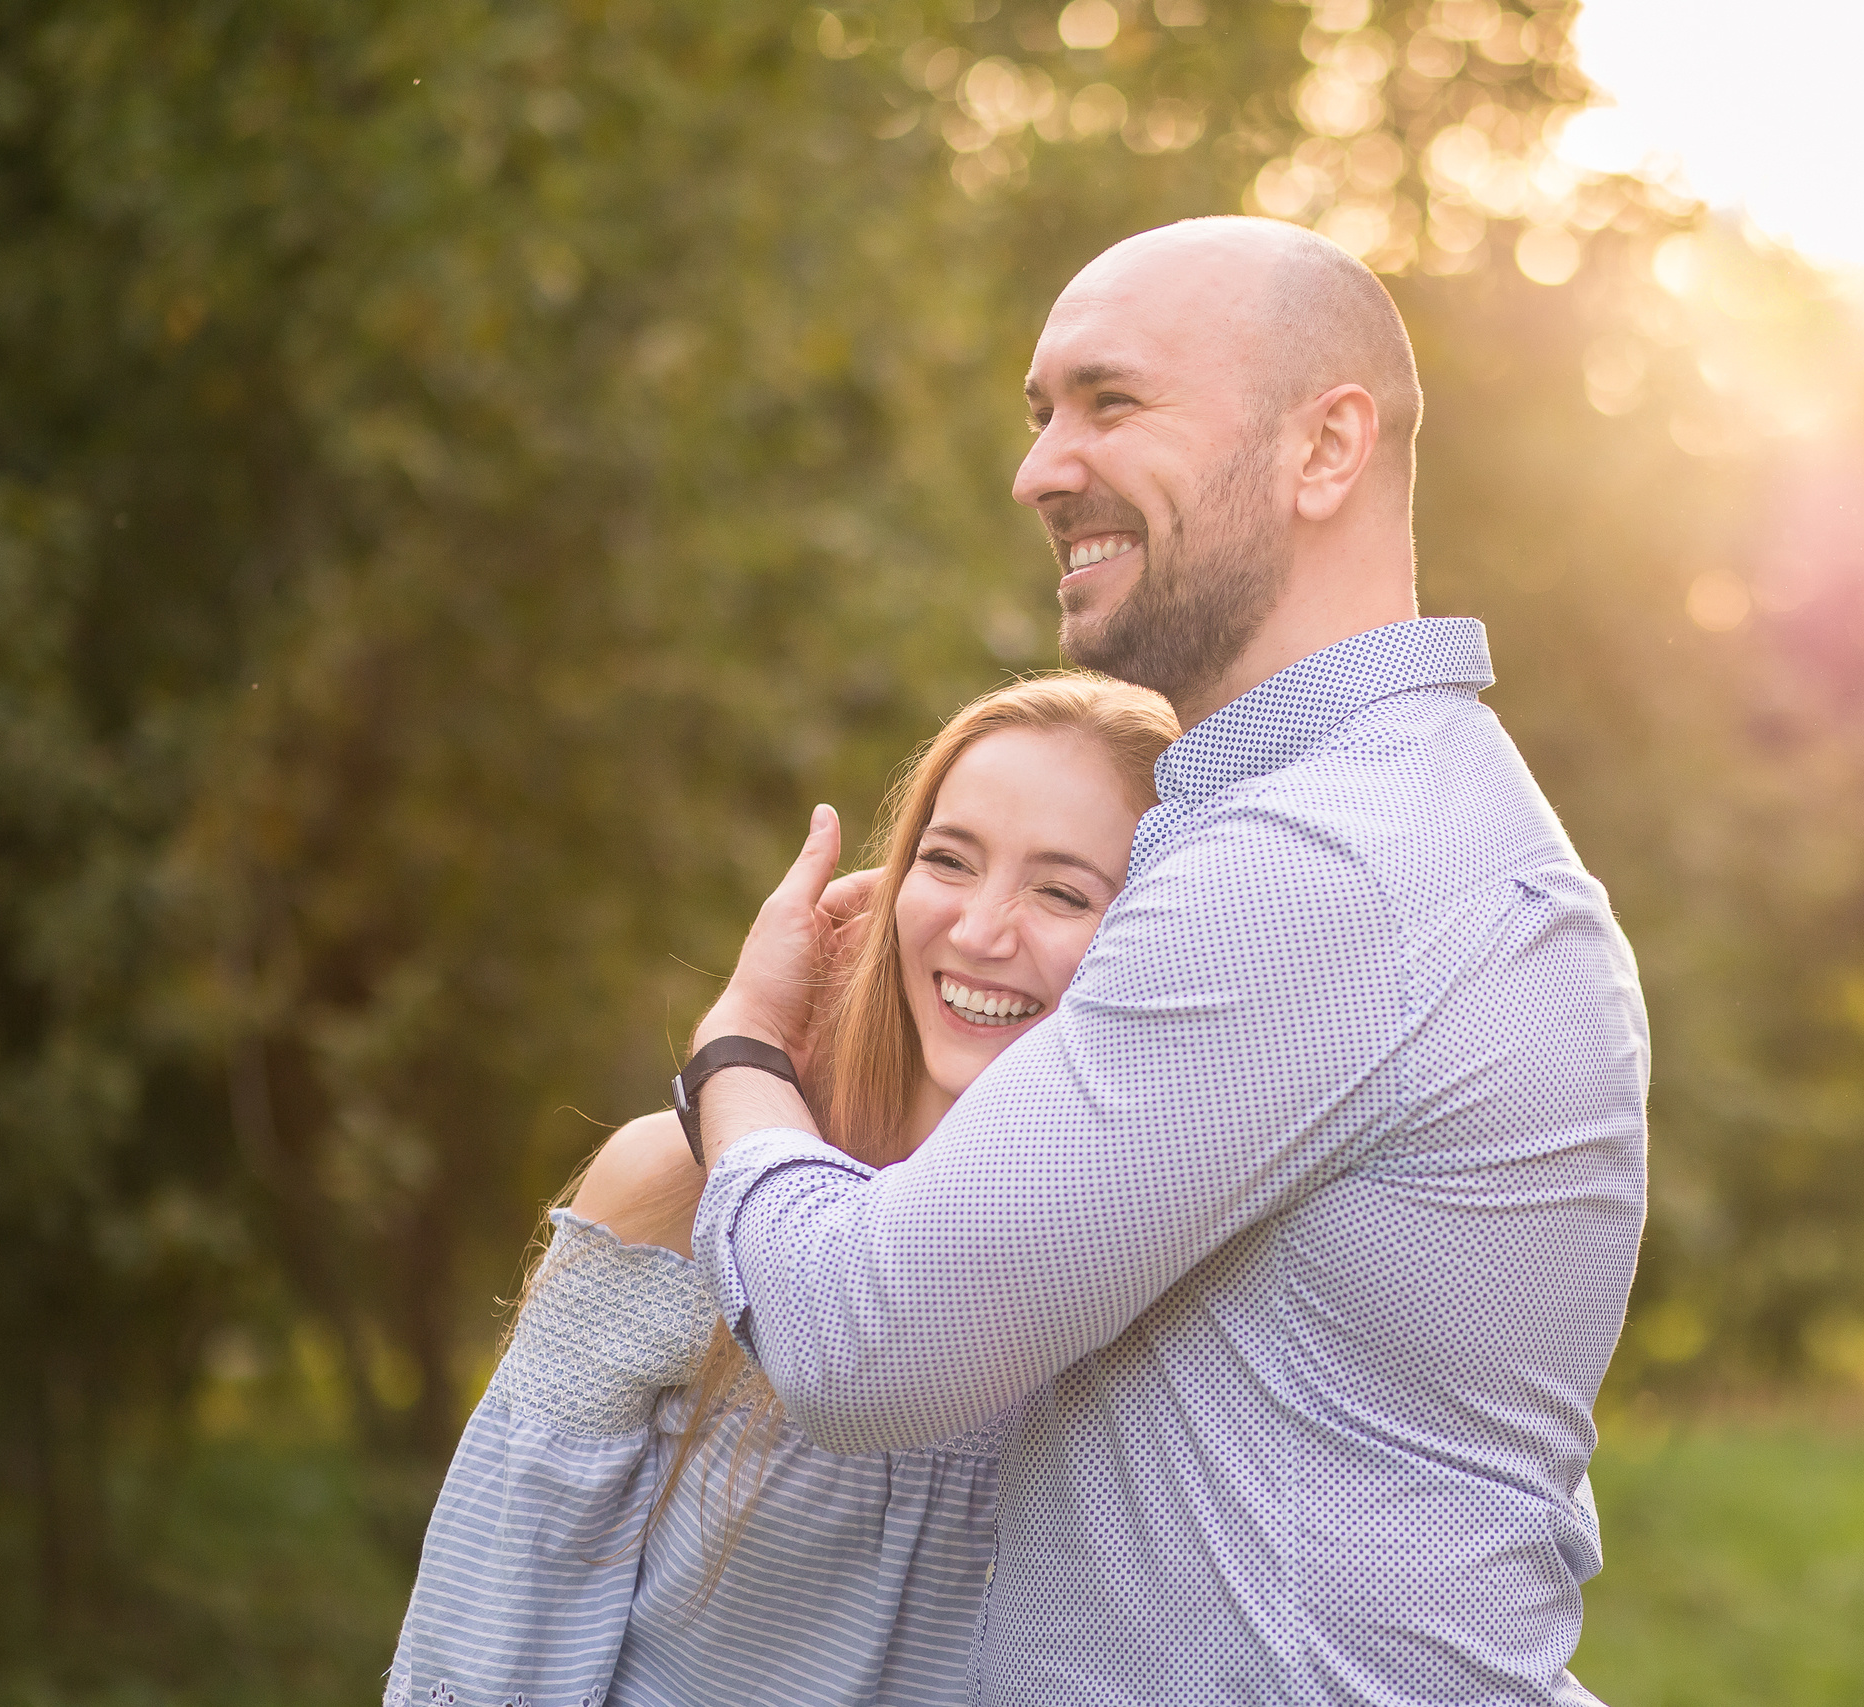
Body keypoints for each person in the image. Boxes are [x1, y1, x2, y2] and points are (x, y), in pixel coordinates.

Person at [681, 216, 1650, 1705]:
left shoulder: (1326, 864)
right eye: (1039, 413)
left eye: (1110, 402)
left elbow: (864, 1341)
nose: (1041, 470)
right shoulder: (1364, 818)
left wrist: (741, 1055)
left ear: (1325, 449)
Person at [384, 675, 1181, 1707]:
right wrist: (744, 1051)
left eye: (1063, 891)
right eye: (946, 861)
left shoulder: (1162, 1259)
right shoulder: (675, 1191)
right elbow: (482, 1651)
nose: (981, 931)